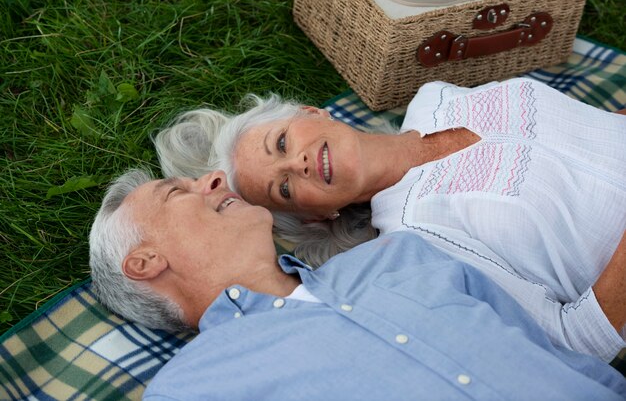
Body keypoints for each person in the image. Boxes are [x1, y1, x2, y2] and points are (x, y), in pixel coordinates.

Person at [154, 77, 626, 362]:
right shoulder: (417, 241)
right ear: (319, 214)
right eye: (283, 188)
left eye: (280, 143)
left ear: (311, 113)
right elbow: (574, 344)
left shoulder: (437, 97)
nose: (294, 163)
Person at [88, 169, 626, 400]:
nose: (211, 180)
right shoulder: (194, 390)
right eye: (175, 192)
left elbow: (555, 356)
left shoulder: (397, 256)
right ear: (145, 262)